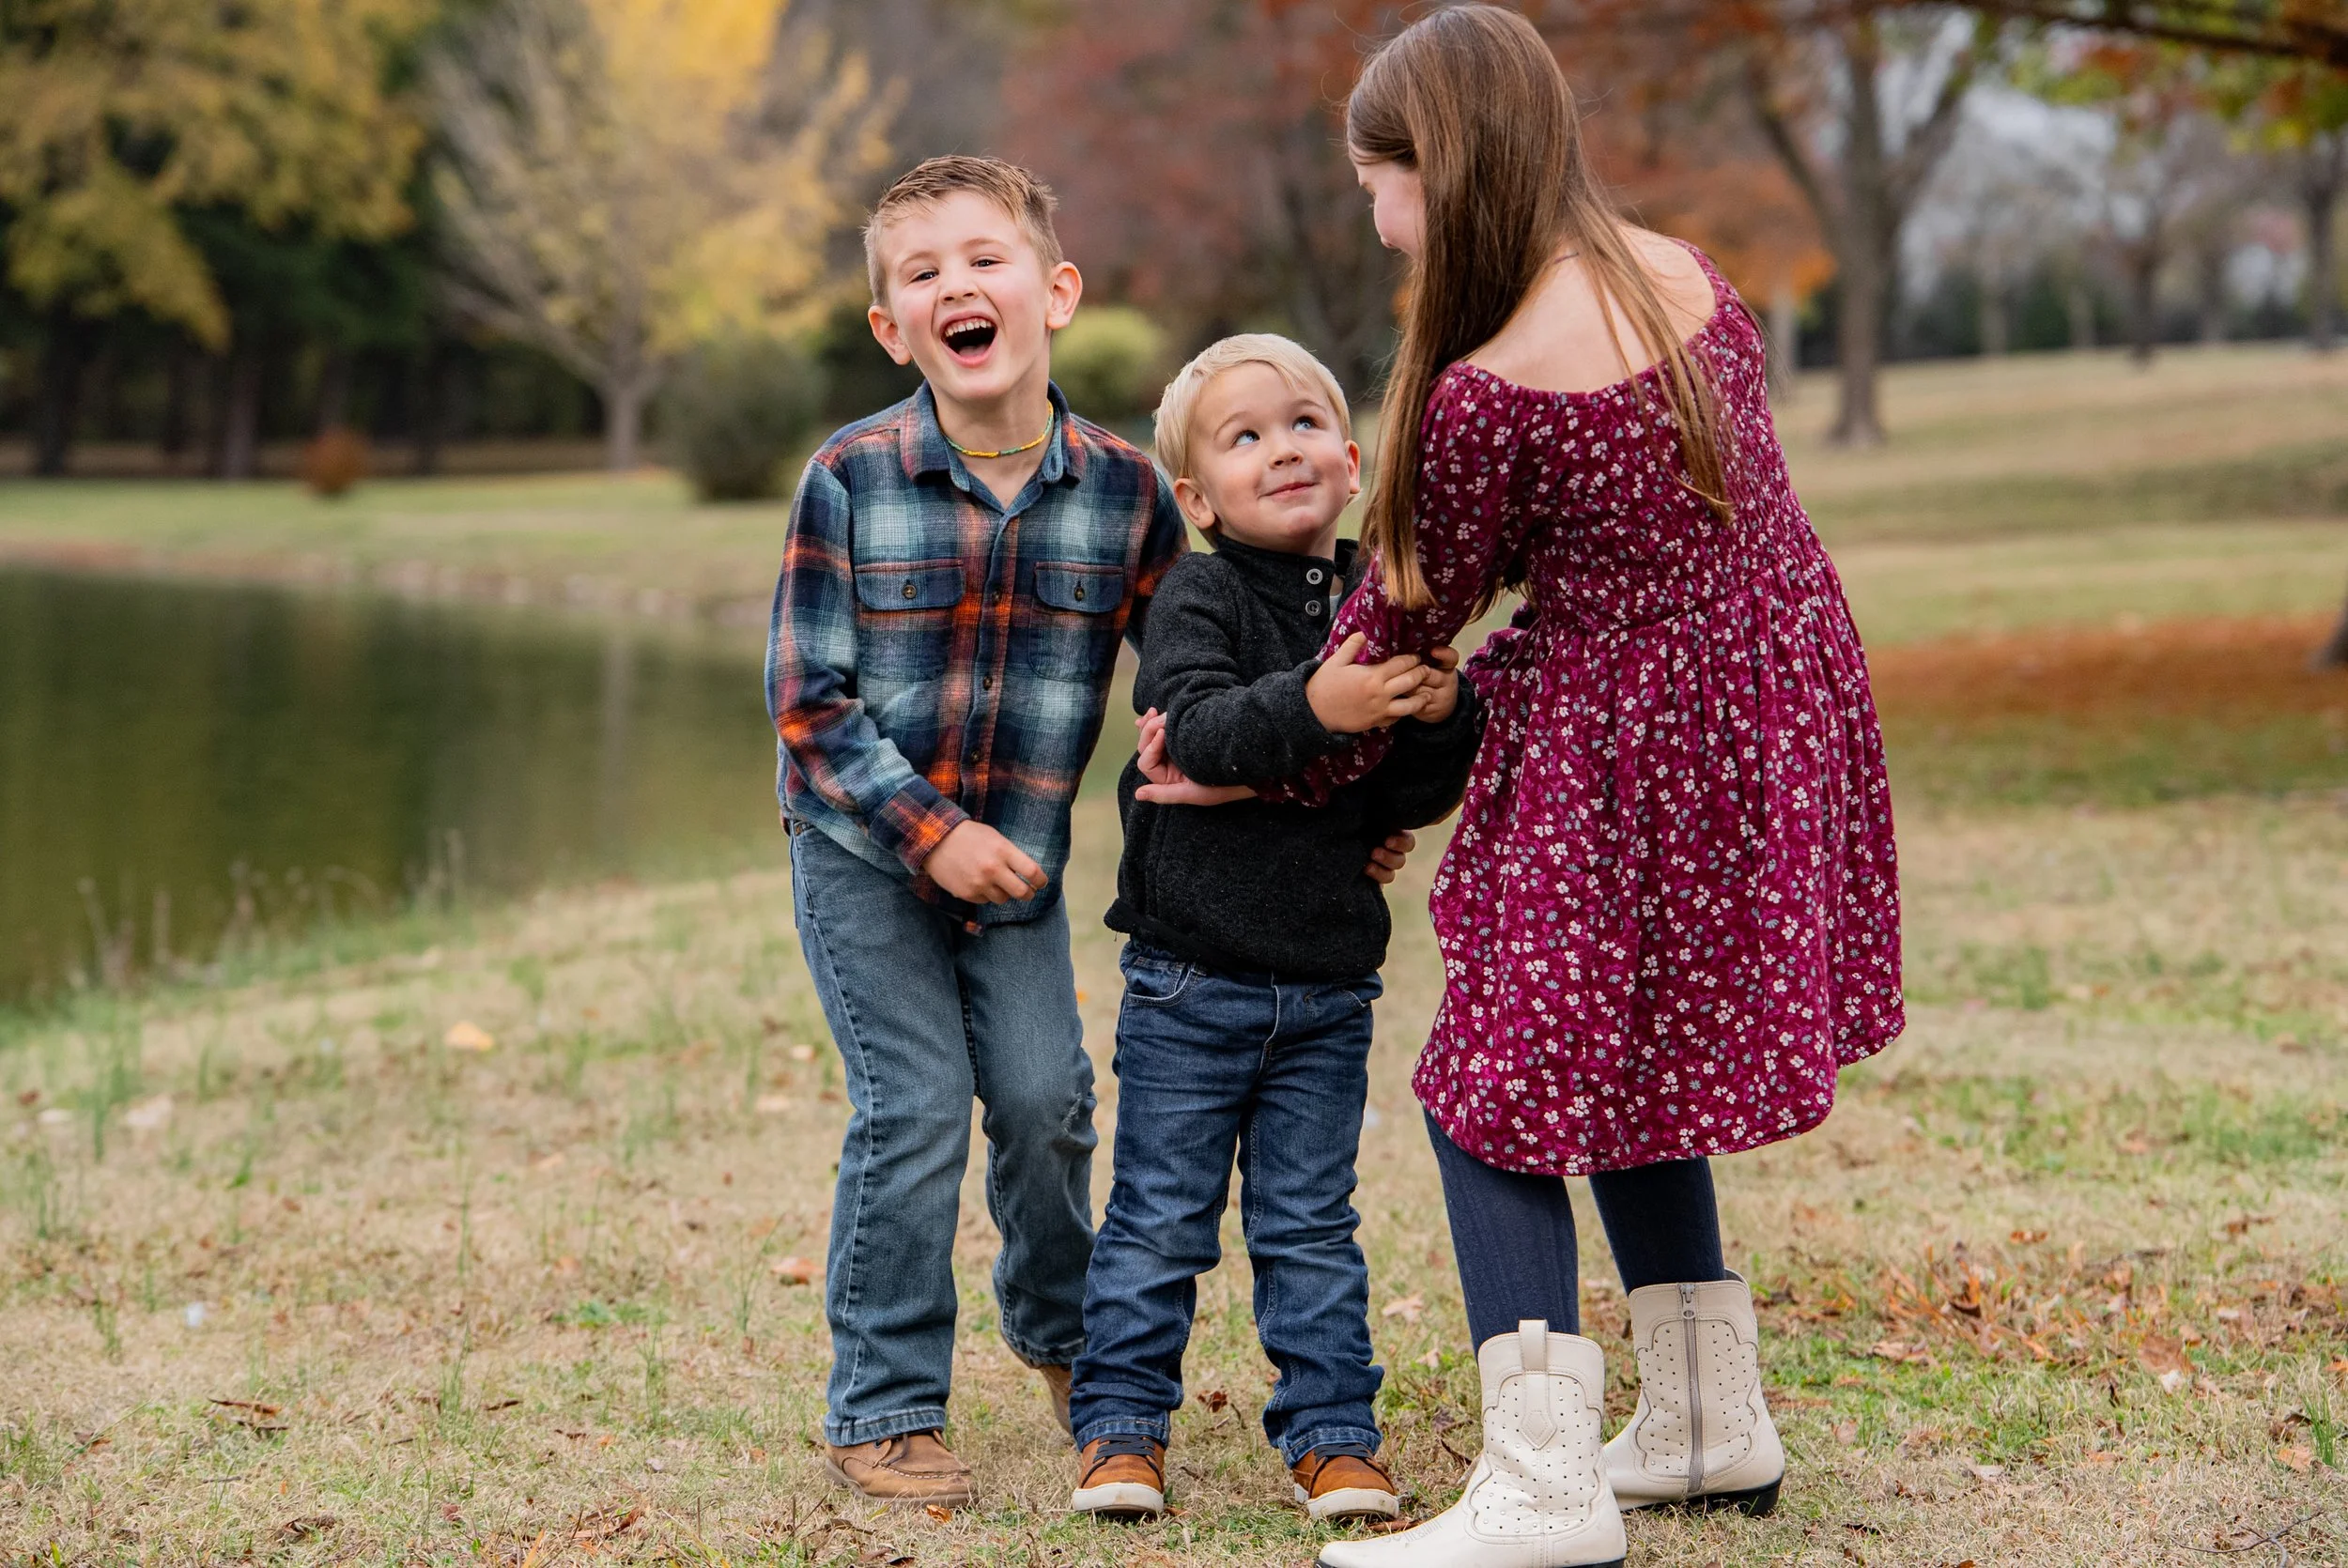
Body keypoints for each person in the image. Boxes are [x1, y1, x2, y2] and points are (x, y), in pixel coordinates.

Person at [1175, 12, 1902, 1567]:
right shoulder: (1687, 277)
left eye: (1380, 184)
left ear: (1443, 172)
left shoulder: (1489, 391)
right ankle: (1709, 1423)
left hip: (1625, 753)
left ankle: (1545, 1489)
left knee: (1491, 1091)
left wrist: (1268, 743)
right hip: (1765, 709)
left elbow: (1405, 627)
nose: (1375, 220)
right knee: (1626, 1055)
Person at [765, 158, 1418, 1510]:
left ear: (1052, 291)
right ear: (893, 327)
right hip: (863, 850)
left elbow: (1205, 695)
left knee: (1049, 1099)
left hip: (1016, 863)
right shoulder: (849, 476)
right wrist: (930, 831)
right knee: (918, 1105)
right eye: (923, 273)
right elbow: (806, 702)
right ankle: (882, 1403)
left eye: (984, 258)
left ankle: (1072, 1344)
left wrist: (1327, 803)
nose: (958, 285)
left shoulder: (1128, 495)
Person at [1063, 336, 1483, 1526]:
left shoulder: (1382, 601)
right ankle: (1121, 1428)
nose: (1279, 448)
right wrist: (1320, 700)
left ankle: (1334, 1434)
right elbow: (1186, 730)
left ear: (1352, 463)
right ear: (1197, 497)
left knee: (1309, 1222)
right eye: (1242, 438)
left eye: (1303, 425)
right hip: (1190, 978)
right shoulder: (1196, 594)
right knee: (1159, 1214)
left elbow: (1400, 793)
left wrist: (1443, 710)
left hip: (1327, 986)